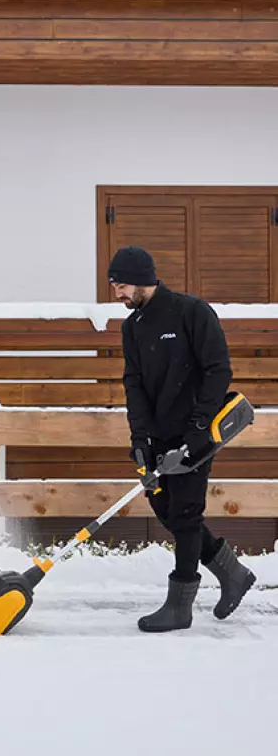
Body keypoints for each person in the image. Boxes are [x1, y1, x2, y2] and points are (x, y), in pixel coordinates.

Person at [108, 245, 256, 632]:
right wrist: (139, 440)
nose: (117, 294)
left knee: (186, 514)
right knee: (168, 513)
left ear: (141, 279)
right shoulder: (132, 326)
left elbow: (218, 370)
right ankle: (234, 574)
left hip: (197, 434)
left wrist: (195, 432)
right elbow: (134, 384)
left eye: (121, 286)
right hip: (156, 438)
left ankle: (180, 605)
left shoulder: (192, 312)